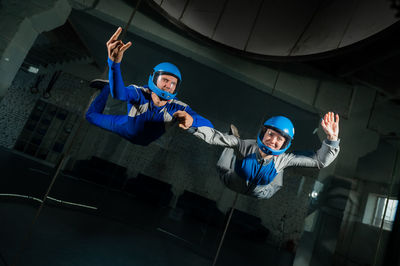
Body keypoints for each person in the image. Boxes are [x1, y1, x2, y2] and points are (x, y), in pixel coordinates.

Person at [85, 27, 213, 145]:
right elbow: (119, 94)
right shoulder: (140, 93)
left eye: (173, 83)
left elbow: (207, 125)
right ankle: (107, 87)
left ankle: (110, 85)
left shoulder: (178, 107)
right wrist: (114, 63)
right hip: (123, 126)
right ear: (154, 78)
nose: (169, 85)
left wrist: (192, 121)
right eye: (165, 80)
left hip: (142, 140)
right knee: (90, 116)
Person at [174, 111, 340, 199]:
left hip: (263, 192)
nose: (273, 141)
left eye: (279, 139)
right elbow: (213, 136)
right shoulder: (246, 146)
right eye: (270, 134)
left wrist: (332, 139)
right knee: (230, 148)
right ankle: (234, 137)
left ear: (285, 143)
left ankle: (271, 162)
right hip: (231, 181)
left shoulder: (283, 158)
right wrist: (193, 126)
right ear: (263, 133)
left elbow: (319, 161)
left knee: (279, 164)